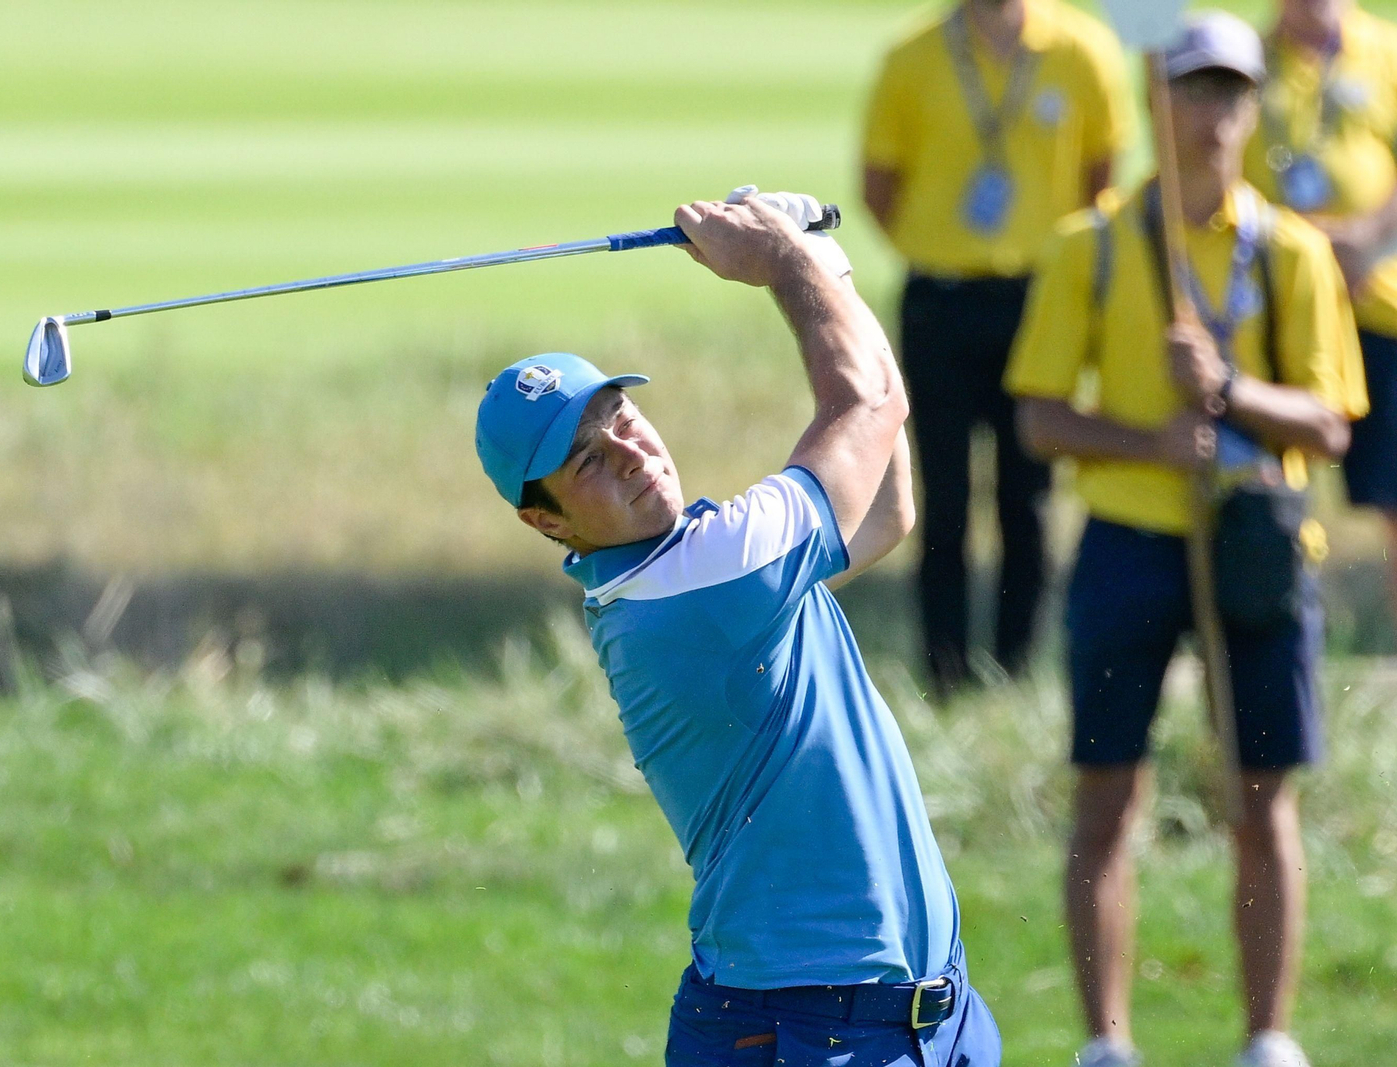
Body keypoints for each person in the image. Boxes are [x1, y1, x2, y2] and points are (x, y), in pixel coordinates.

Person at [474, 191, 1000, 1067]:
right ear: (549, 522)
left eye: (624, 419)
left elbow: (889, 501)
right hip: (814, 1029)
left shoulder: (696, 564)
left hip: (909, 1012)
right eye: (590, 461)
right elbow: (865, 409)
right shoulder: (699, 585)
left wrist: (819, 261)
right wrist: (780, 263)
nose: (635, 454)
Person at [1005, 13, 1367, 1067]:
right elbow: (1037, 413)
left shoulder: (1290, 251)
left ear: (1250, 110)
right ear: (1158, 105)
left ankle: (1266, 1035)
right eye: (1191, 93)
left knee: (1262, 797)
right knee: (1107, 789)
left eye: (1228, 95)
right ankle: (1105, 1042)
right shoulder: (1097, 245)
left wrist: (1230, 394)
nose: (1210, 117)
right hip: (1128, 539)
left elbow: (1332, 421)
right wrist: (1151, 437)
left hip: (1252, 538)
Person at [862, 0, 1131, 694]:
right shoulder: (912, 53)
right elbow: (880, 187)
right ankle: (946, 672)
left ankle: (1015, 667)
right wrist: (948, 253)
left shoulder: (1083, 50)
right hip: (941, 300)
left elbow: (1101, 180)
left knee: (1029, 496)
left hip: (1041, 300)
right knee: (941, 498)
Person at [1246, 0, 1397, 627]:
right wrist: (1304, 248)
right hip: (1280, 306)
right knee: (1273, 475)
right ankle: (1272, 618)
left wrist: (1367, 237)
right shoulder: (1248, 63)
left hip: (1381, 301)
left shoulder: (1386, 51)